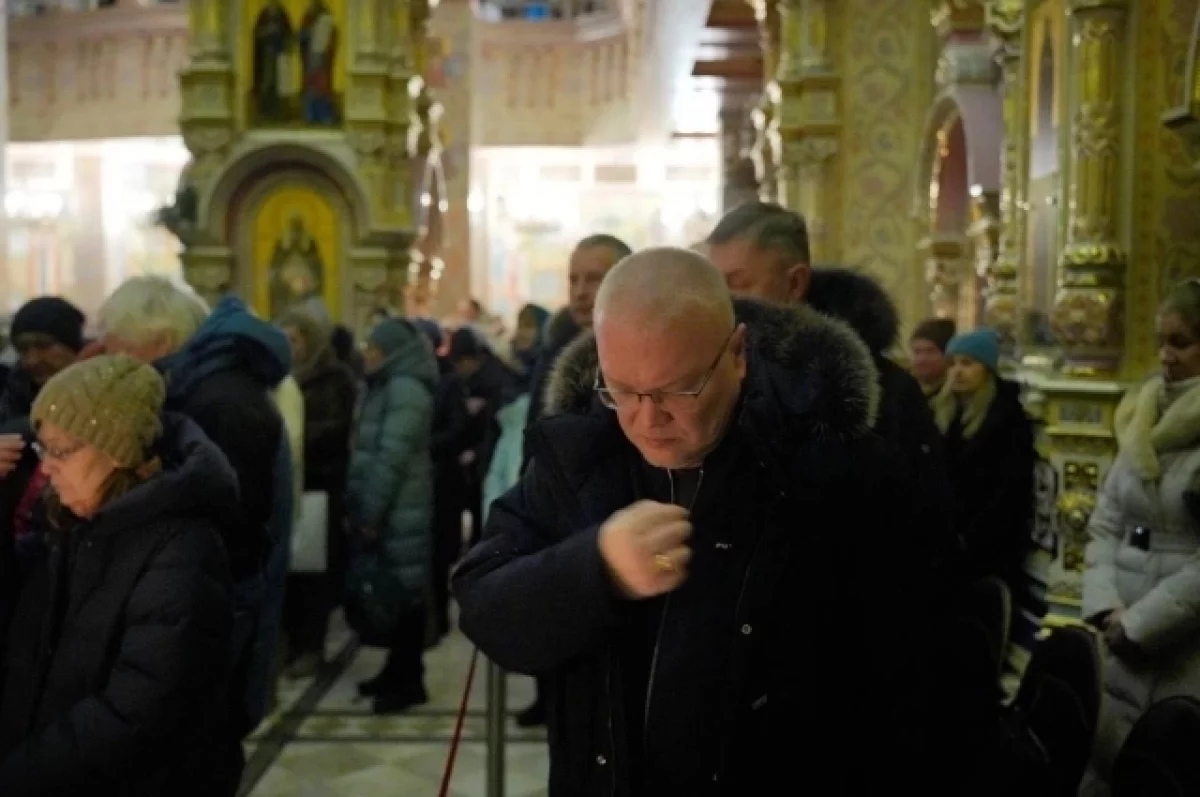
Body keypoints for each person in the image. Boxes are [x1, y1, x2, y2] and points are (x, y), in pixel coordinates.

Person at [454, 247, 934, 795]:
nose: (647, 420)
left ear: (737, 355)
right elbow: (485, 605)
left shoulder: (836, 467)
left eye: (679, 389)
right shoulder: (579, 455)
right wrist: (596, 569)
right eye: (622, 391)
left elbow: (916, 680)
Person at [0, 355, 240, 794]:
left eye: (61, 450)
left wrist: (18, 776)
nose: (46, 468)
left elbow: (139, 711)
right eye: (42, 449)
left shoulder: (182, 547)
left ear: (117, 453)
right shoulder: (71, 524)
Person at [1078, 279, 1200, 795]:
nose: (1165, 357)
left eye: (1181, 343)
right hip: (1121, 629)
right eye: (1161, 342)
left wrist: (1142, 624)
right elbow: (1106, 522)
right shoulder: (1140, 415)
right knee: (1111, 761)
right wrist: (1106, 606)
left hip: (1183, 644)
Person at [345, 318, 437, 714]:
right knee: (395, 589)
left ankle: (409, 680)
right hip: (392, 506)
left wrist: (369, 511)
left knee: (405, 592)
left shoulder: (405, 388)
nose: (368, 354)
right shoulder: (387, 384)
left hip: (400, 509)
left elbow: (390, 457)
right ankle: (397, 669)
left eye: (375, 349)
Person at [911, 317, 957, 401]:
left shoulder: (957, 392)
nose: (921, 359)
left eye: (930, 351)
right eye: (917, 352)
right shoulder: (903, 386)